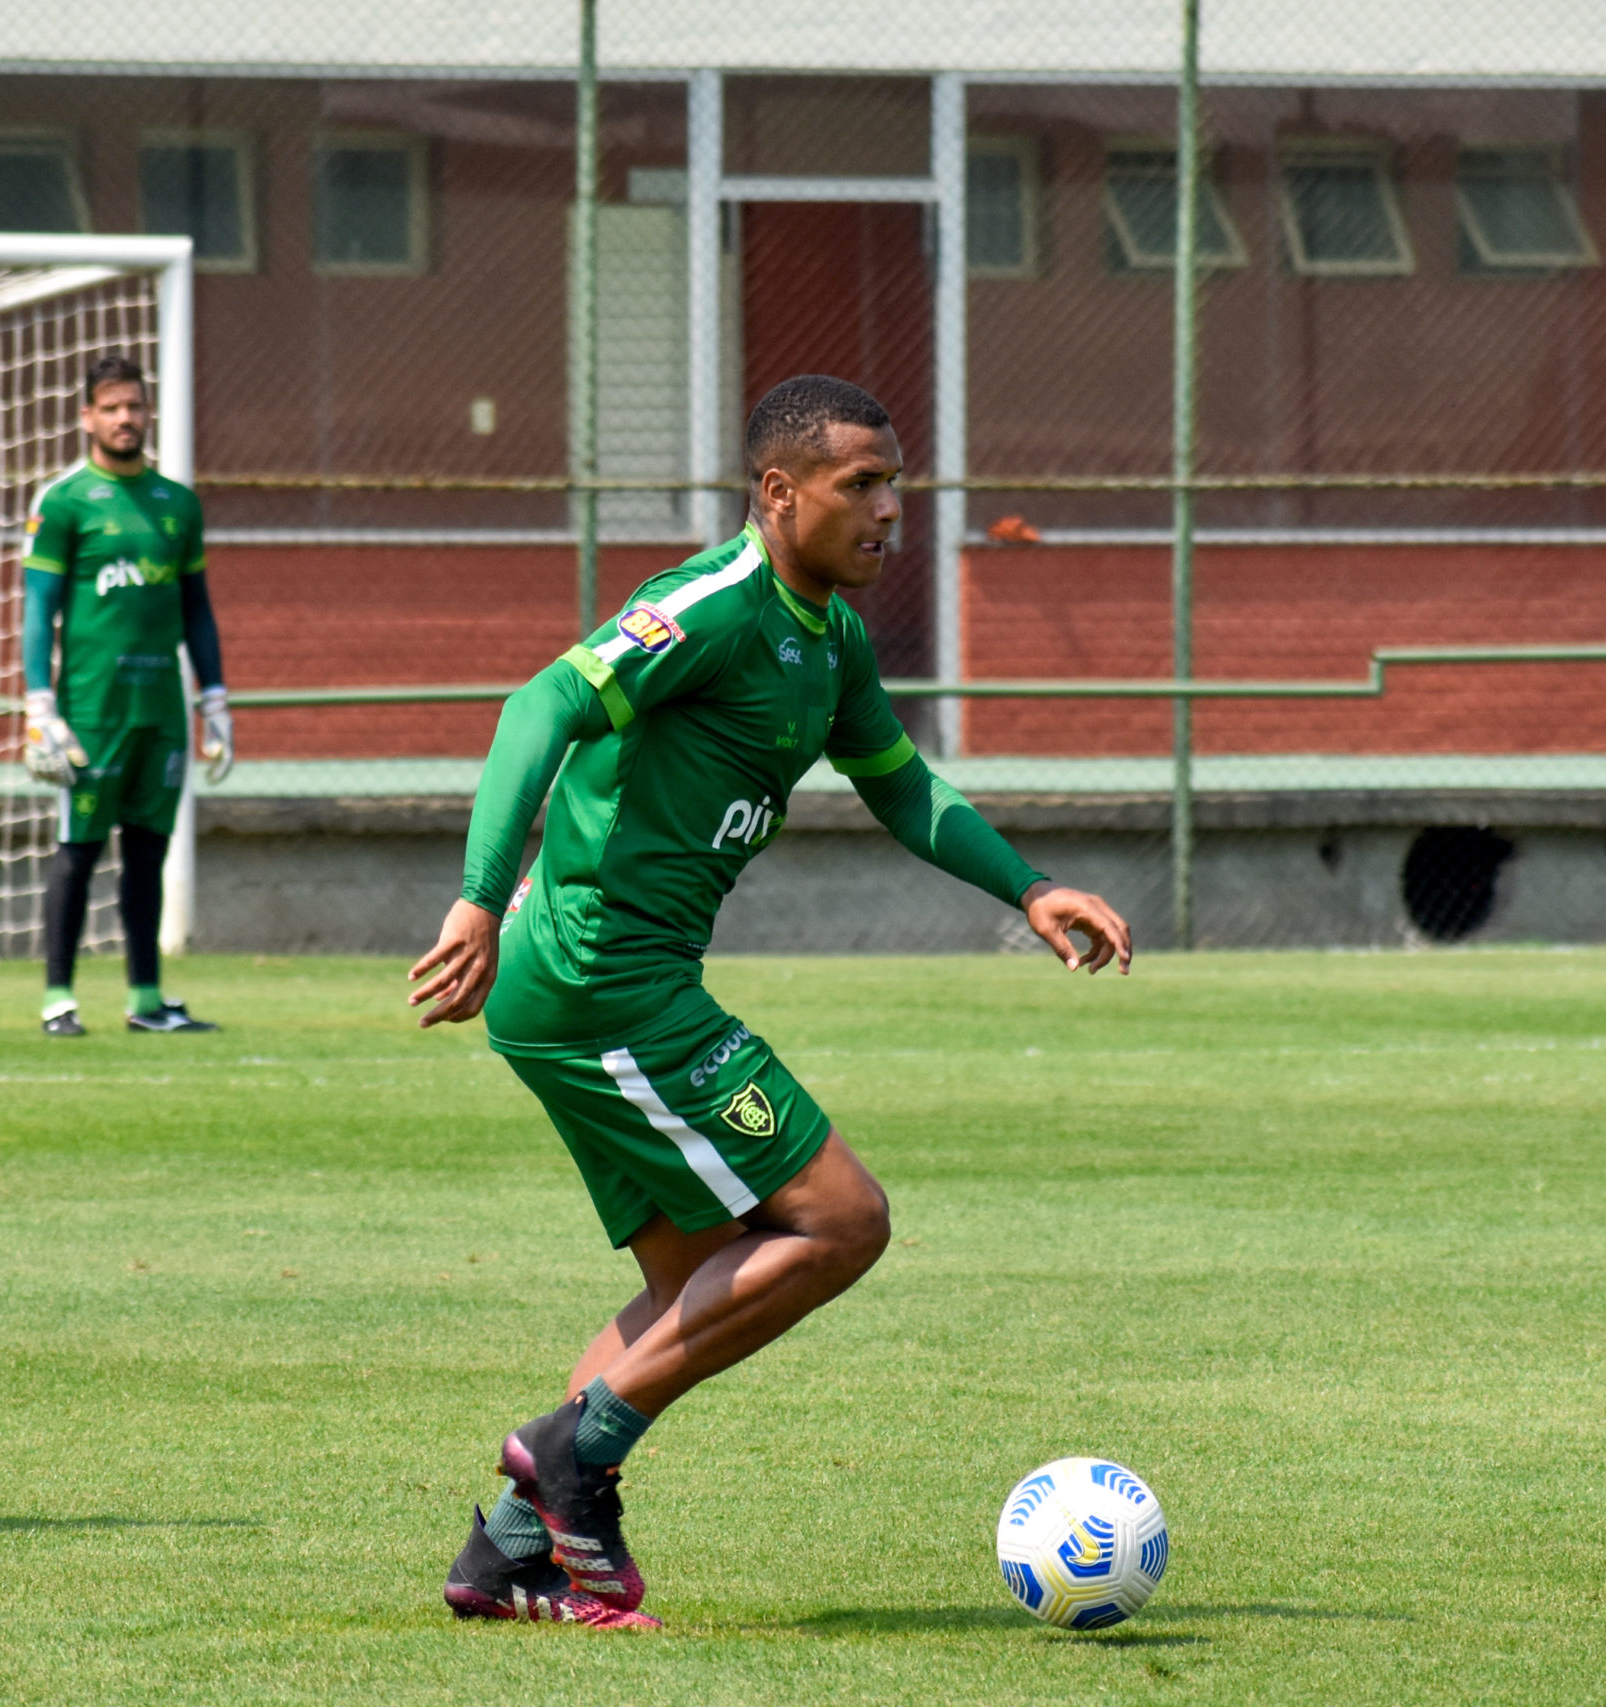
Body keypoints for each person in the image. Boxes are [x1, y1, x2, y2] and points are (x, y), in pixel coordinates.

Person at [409, 375, 1133, 1629]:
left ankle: (509, 1552)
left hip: (615, 981)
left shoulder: (831, 638)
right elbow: (543, 701)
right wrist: (476, 896)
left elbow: (903, 790)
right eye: (861, 485)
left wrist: (1029, 887)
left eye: (896, 484)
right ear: (778, 491)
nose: (890, 510)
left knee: (693, 1282)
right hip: (600, 975)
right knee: (842, 1218)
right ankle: (578, 1460)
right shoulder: (712, 606)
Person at [21, 352, 232, 1036]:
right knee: (78, 848)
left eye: (134, 406)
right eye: (110, 407)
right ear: (87, 417)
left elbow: (197, 610)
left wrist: (216, 699)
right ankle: (59, 997)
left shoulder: (179, 504)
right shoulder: (64, 502)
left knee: (148, 850)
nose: (124, 418)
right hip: (91, 708)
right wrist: (38, 702)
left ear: (148, 413)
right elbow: (37, 606)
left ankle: (147, 999)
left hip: (160, 709)